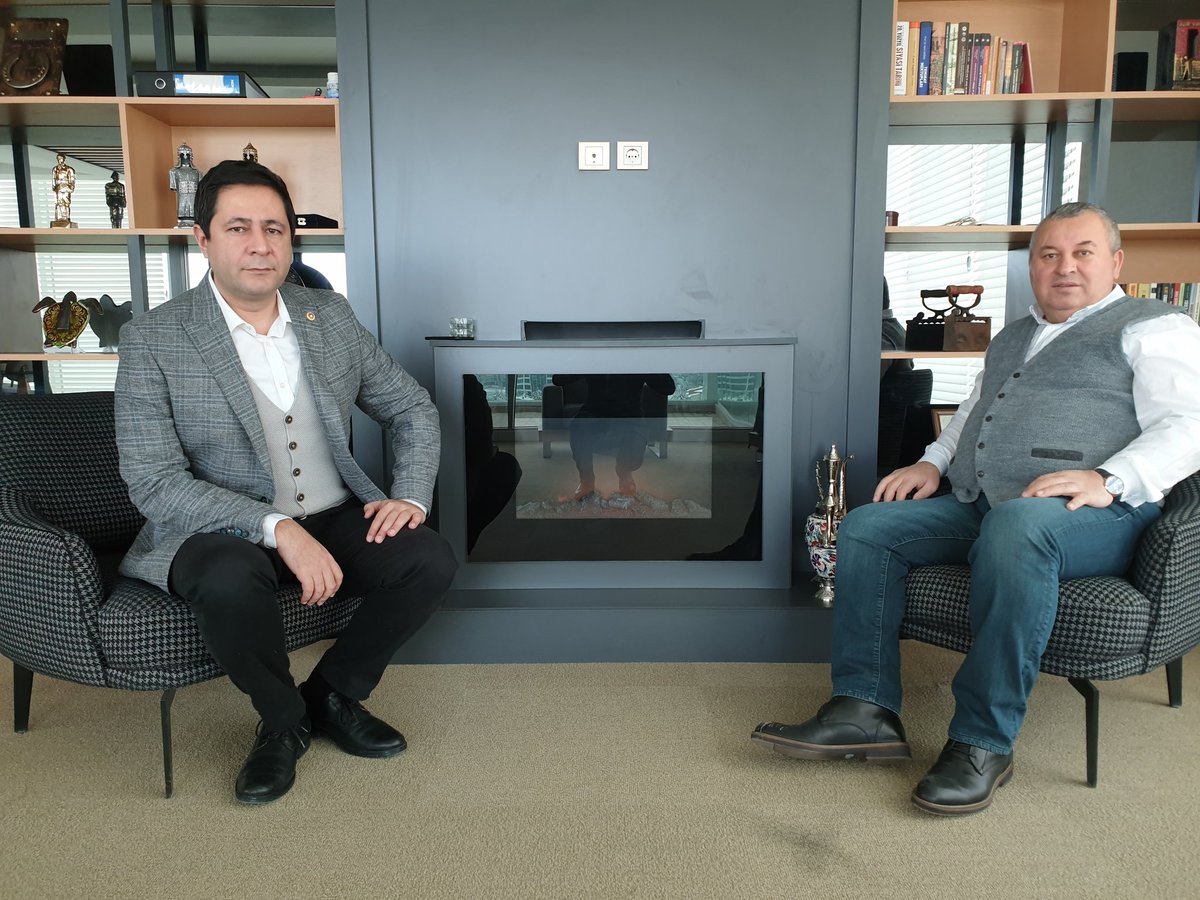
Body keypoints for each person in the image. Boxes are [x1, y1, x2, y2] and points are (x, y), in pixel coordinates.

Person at [752, 202, 1200, 816]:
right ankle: (864, 709)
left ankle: (983, 742)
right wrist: (932, 462)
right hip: (987, 502)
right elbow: (972, 413)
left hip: (1099, 513)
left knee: (1017, 527)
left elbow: (1188, 424)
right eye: (1049, 255)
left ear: (1116, 262)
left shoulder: (1154, 327)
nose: (1064, 267)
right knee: (868, 527)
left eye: (1083, 253)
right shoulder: (1014, 334)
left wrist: (1109, 477)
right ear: (1032, 265)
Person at [114, 160, 457, 805]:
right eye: (238, 227)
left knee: (427, 557)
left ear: (291, 240)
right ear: (202, 238)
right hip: (215, 530)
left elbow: (411, 407)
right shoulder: (154, 338)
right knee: (226, 576)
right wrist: (276, 528)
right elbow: (153, 481)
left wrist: (409, 495)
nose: (260, 245)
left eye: (274, 228)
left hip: (331, 510)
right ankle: (282, 721)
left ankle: (331, 696)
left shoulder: (329, 316)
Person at [51, 153, 75, 224]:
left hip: (66, 187)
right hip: (58, 187)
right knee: (60, 203)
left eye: (61, 158)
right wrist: (54, 187)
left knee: (66, 202)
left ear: (64, 159)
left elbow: (72, 178)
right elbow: (53, 178)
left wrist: (71, 187)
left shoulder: (69, 169)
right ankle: (63, 217)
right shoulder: (55, 169)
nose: (60, 160)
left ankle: (67, 217)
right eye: (58, 159)